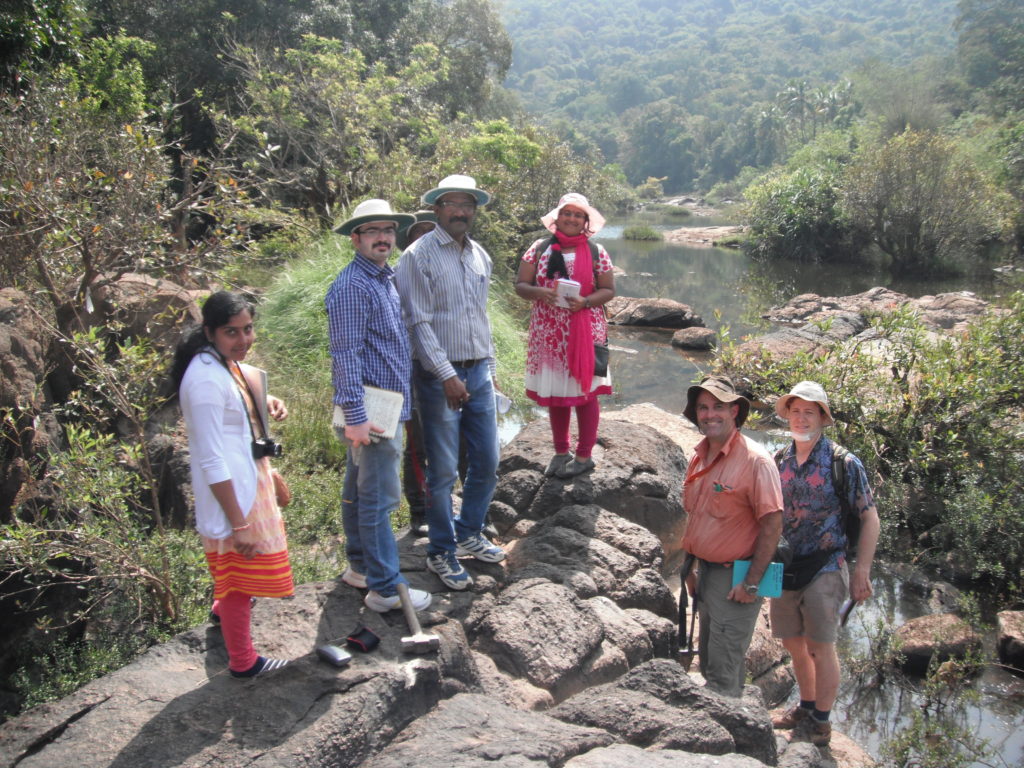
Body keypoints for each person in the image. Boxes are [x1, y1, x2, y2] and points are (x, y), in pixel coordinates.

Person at [170, 291, 294, 678]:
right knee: (240, 578)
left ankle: (220, 611)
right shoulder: (204, 379)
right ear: (210, 332)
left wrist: (266, 400)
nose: (243, 340)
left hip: (246, 482)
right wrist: (238, 523)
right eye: (232, 332)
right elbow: (210, 459)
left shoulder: (221, 364)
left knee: (235, 574)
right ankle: (243, 661)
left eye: (248, 329)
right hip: (231, 497)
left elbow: (234, 403)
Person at [395, 174, 505, 591]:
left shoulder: (479, 255)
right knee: (442, 470)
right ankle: (441, 551)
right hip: (439, 375)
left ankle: (470, 532)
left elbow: (481, 317)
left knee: (488, 462)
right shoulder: (418, 256)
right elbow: (417, 322)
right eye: (453, 204)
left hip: (477, 371)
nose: (461, 211)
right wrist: (446, 375)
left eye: (468, 205)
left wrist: (489, 372)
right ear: (437, 209)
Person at [327, 198, 432, 613]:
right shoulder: (353, 286)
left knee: (357, 489)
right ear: (355, 238)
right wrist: (355, 417)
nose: (383, 238)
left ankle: (359, 567)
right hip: (371, 412)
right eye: (372, 231)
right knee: (379, 498)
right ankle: (385, 588)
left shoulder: (382, 279)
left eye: (388, 230)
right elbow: (345, 354)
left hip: (384, 406)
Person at [769, 381, 881, 746]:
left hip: (826, 563)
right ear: (788, 415)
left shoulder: (843, 462)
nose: (801, 419)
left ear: (823, 417)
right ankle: (805, 704)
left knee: (820, 645)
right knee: (793, 643)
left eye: (810, 412)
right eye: (796, 411)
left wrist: (861, 570)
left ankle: (821, 721)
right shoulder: (777, 460)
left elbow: (869, 518)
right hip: (785, 564)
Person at [680, 375, 783, 697]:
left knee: (722, 675)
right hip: (708, 572)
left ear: (735, 411)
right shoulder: (700, 456)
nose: (710, 414)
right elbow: (697, 515)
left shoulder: (756, 461)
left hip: (738, 577)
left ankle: (723, 737)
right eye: (703, 408)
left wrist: (752, 582)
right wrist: (694, 567)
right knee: (713, 661)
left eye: (719, 407)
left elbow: (773, 524)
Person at [514, 193, 615, 478]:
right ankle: (561, 452)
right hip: (549, 334)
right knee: (555, 392)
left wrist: (585, 301)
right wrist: (539, 293)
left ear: (586, 221)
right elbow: (521, 285)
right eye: (566, 213)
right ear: (557, 217)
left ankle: (584, 456)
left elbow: (608, 290)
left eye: (578, 214)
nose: (571, 218)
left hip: (587, 331)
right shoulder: (539, 248)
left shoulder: (597, 251)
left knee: (586, 394)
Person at [398, 210, 438, 537]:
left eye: (431, 233)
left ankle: (472, 510)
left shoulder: (454, 267)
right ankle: (419, 510)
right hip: (412, 368)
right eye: (419, 234)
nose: (425, 240)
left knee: (466, 441)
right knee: (417, 445)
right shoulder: (397, 276)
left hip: (457, 365)